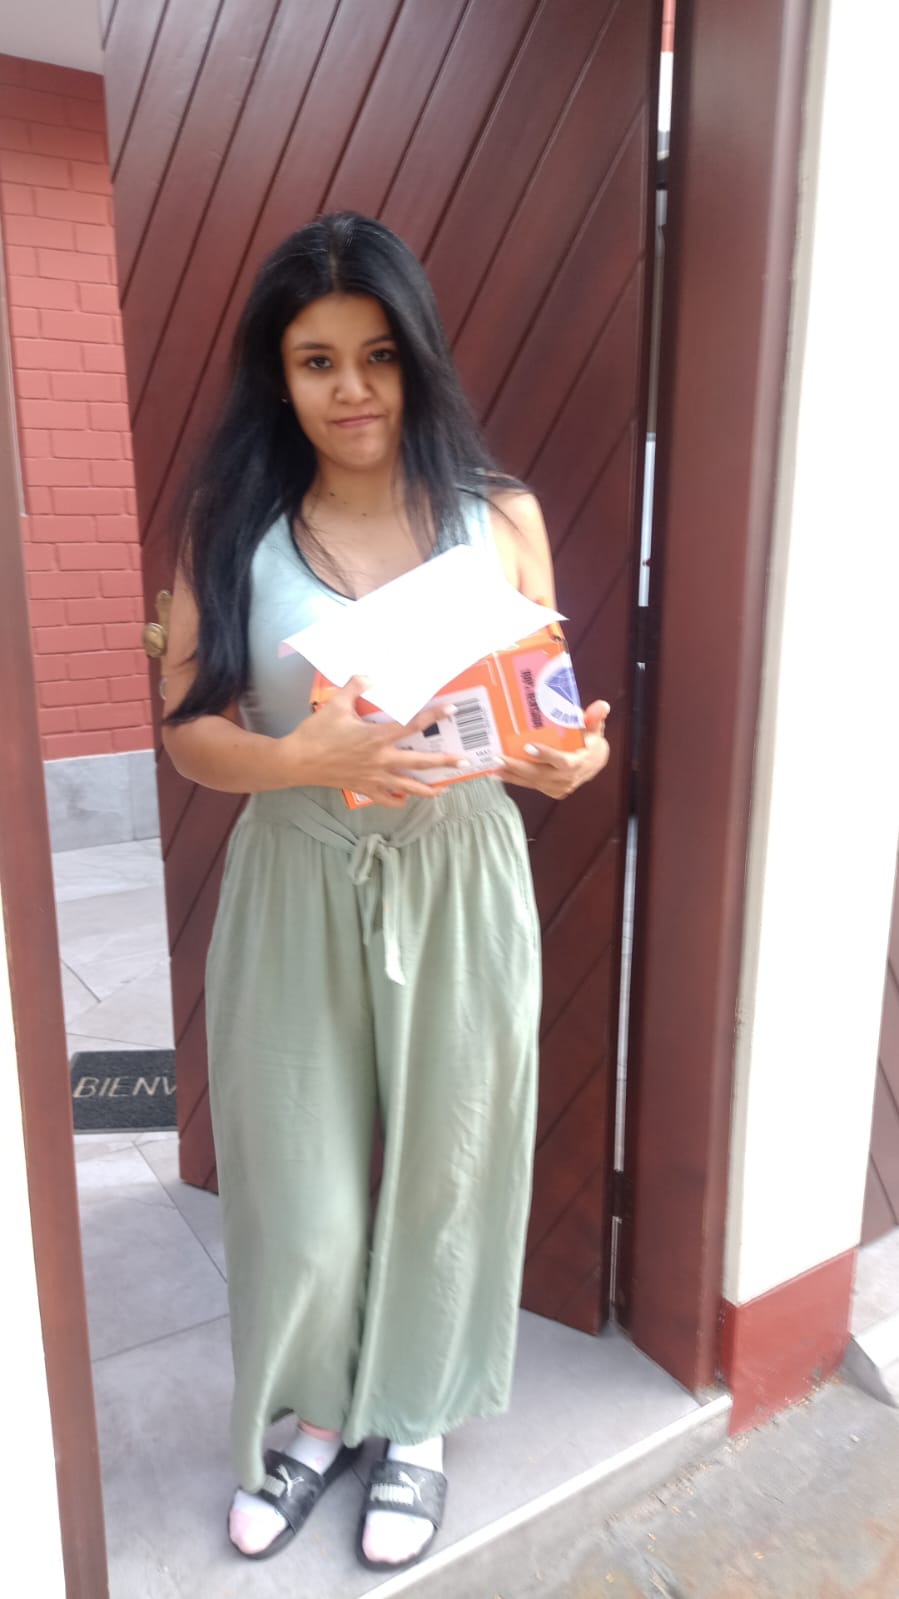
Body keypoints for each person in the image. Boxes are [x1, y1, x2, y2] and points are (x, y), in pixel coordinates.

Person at [161, 211, 610, 1573]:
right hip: (295, 876)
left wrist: (564, 760)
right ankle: (316, 1416)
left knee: (449, 1164)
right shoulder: (235, 525)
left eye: (378, 355)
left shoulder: (499, 517)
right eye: (316, 361)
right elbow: (190, 731)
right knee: (296, 1177)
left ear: (418, 357)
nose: (351, 389)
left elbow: (544, 724)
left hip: (460, 873)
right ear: (279, 373)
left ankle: (414, 1418)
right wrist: (299, 757)